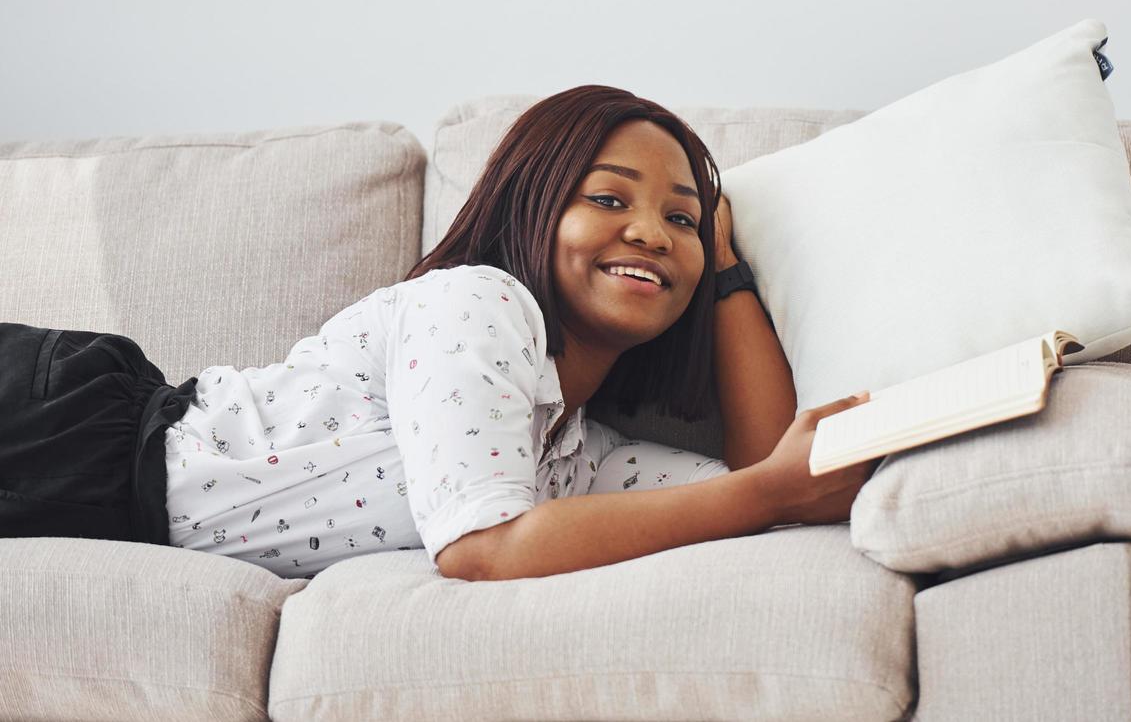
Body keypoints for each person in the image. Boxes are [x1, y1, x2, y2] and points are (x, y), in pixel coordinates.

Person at [0, 85, 878, 580]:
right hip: (76, 426)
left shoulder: (581, 459)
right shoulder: (480, 304)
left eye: (681, 220)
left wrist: (726, 273)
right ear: (532, 206)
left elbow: (772, 487)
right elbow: (481, 548)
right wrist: (769, 494)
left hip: (108, 504)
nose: (651, 232)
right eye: (608, 199)